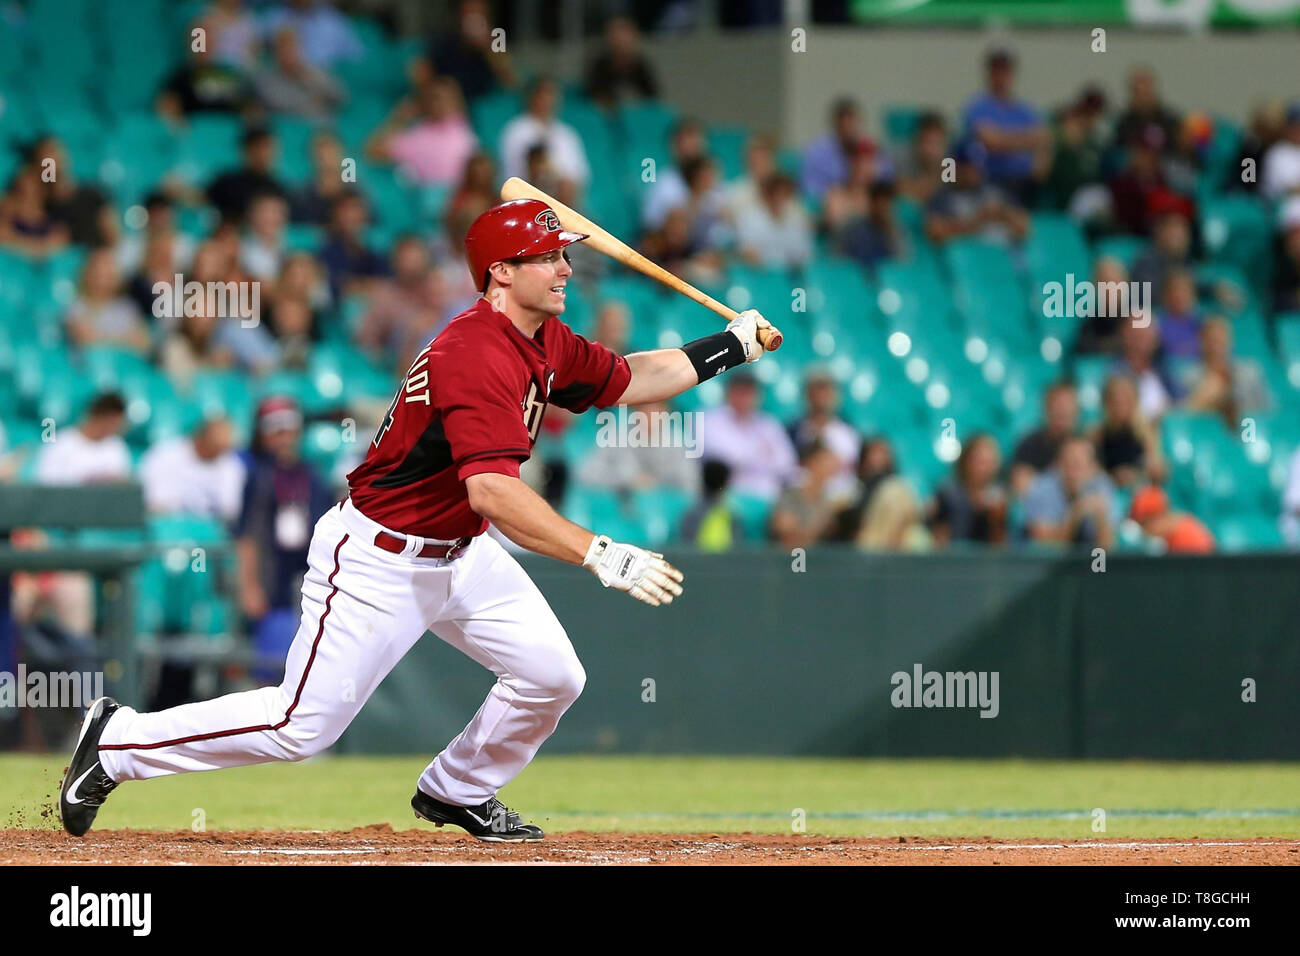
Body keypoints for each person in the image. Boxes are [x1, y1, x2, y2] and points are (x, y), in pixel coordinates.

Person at [59, 197, 774, 843]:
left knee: (551, 675)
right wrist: (598, 552)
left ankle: (459, 789)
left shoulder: (542, 336)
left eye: (564, 256)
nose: (564, 270)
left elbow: (630, 379)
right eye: (549, 258)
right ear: (500, 273)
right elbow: (495, 492)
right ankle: (116, 741)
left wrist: (730, 347)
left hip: (460, 552)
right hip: (380, 557)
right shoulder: (474, 352)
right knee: (299, 727)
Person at [960, 48, 1050, 204]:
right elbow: (990, 142)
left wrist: (1006, 139)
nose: (1001, 78)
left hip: (1026, 184)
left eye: (1005, 72)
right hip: (992, 181)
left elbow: (1044, 144)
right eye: (996, 72)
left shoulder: (1026, 111)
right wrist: (1028, 140)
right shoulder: (977, 107)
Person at [698, 371, 797, 501]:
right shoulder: (709, 418)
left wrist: (746, 456)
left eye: (748, 392)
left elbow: (786, 463)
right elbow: (721, 458)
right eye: (738, 391)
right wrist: (761, 454)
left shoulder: (768, 424)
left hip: (769, 498)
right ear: (728, 392)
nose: (743, 397)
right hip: (727, 494)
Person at [366, 77, 477, 188]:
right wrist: (399, 118)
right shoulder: (419, 136)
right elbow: (372, 150)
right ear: (426, 104)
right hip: (437, 197)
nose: (444, 102)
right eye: (437, 98)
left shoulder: (466, 127)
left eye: (449, 97)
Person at [139, 416, 246, 522]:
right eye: (214, 446)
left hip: (210, 533)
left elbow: (229, 512)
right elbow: (154, 505)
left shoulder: (231, 465)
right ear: (200, 437)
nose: (219, 453)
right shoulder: (165, 455)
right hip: (167, 528)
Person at [499, 77, 589, 195]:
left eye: (551, 95)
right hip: (528, 195)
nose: (547, 100)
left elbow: (579, 176)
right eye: (542, 95)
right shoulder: (515, 130)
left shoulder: (567, 134)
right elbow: (513, 175)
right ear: (531, 98)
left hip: (564, 199)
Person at [1021, 436, 1115, 548]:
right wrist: (1075, 514)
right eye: (1067, 463)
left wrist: (1101, 519)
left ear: (1093, 468)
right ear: (1057, 464)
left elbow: (1108, 550)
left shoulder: (1101, 485)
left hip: (1090, 563)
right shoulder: (1042, 488)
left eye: (1079, 465)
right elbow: (1045, 545)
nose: (1072, 472)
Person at [928, 432, 1006, 546]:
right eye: (980, 461)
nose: (984, 468)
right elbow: (939, 541)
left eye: (989, 462)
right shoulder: (948, 493)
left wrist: (996, 519)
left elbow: (1002, 546)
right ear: (966, 461)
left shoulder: (999, 497)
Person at [1089, 375, 1167, 488]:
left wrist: (1137, 475)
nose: (1120, 405)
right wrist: (1112, 476)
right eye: (1115, 400)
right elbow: (1090, 471)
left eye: (1126, 399)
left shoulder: (1146, 434)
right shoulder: (1097, 435)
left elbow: (1158, 471)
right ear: (1106, 403)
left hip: (1138, 490)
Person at [1009, 381, 1079, 497]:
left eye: (1068, 405)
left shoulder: (1086, 443)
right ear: (1046, 408)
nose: (1063, 409)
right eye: (1058, 404)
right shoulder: (1029, 444)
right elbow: (1020, 485)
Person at [769, 441, 842, 549]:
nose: (830, 468)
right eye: (825, 462)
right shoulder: (790, 496)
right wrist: (821, 525)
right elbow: (788, 539)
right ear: (811, 463)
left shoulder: (829, 501)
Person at [582, 16, 659, 107]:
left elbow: (652, 97)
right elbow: (592, 97)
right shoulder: (599, 65)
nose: (620, 42)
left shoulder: (640, 65)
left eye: (624, 37)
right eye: (616, 37)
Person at [1128, 484, 1214, 554]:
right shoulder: (1178, 527)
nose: (1145, 532)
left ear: (1161, 518)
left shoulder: (1187, 539)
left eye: (1146, 525)